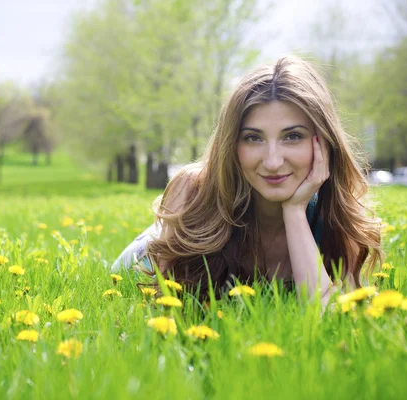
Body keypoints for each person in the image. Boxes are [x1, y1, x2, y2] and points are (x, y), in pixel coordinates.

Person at [111, 55, 383, 307]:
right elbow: (169, 307)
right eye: (253, 138)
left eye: (293, 136)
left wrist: (295, 211)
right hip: (142, 260)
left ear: (323, 142)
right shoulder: (192, 189)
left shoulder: (336, 214)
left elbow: (333, 316)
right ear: (232, 144)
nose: (273, 161)